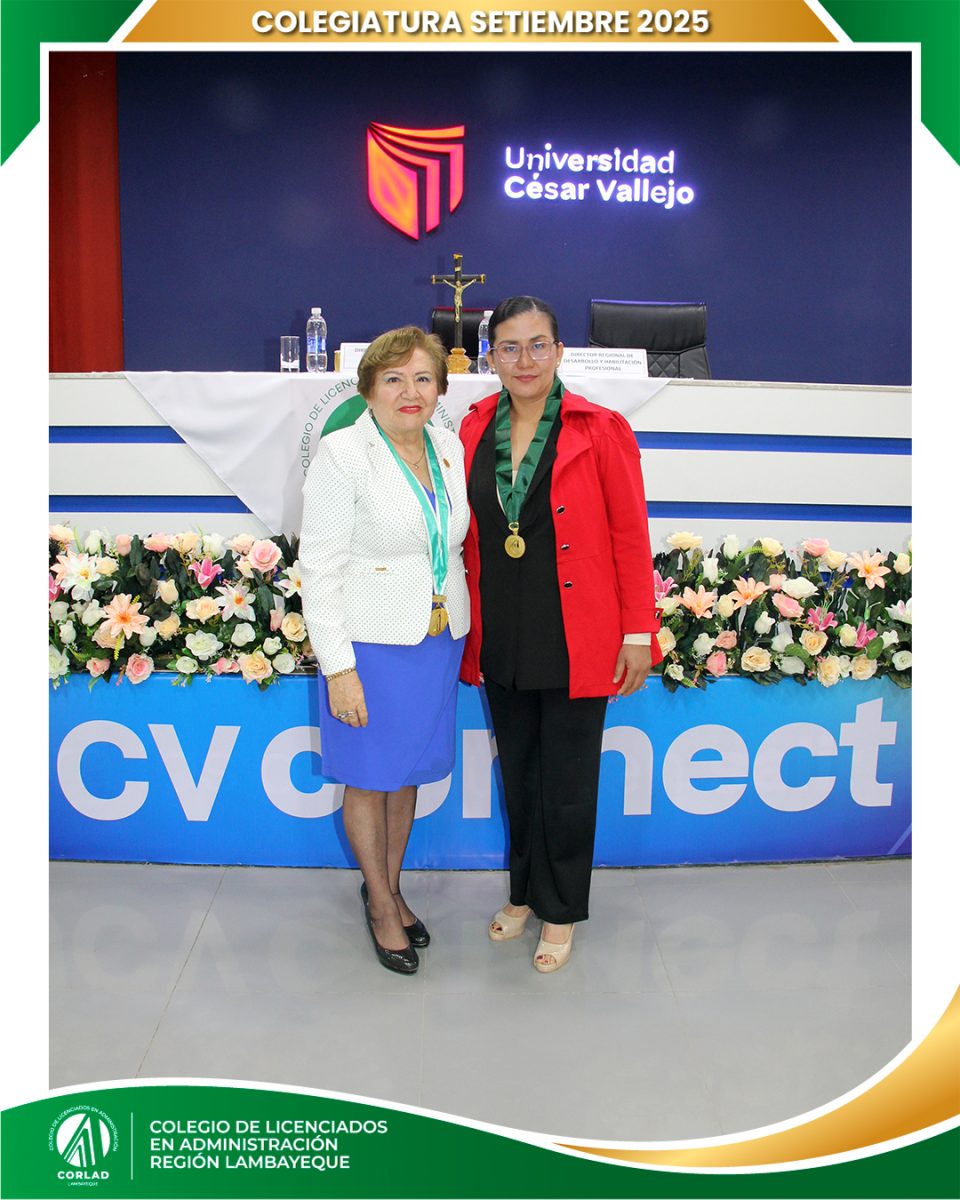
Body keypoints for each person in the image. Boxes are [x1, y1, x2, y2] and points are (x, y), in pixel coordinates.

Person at [459, 296, 662, 973]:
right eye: (509, 347)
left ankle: (562, 907)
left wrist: (638, 631)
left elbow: (630, 535)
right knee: (518, 771)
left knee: (568, 779)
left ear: (559, 351)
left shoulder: (601, 429)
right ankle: (522, 892)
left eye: (537, 345)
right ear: (491, 357)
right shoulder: (473, 427)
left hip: (579, 629)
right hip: (502, 625)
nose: (524, 360)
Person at [299, 327, 470, 974]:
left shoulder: (449, 447)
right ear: (368, 389)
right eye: (393, 379)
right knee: (370, 780)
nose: (409, 391)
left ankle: (392, 887)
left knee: (406, 775)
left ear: (440, 389)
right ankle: (378, 903)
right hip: (369, 645)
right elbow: (320, 569)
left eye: (423, 378)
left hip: (434, 638)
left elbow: (448, 543)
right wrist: (339, 669)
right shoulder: (344, 454)